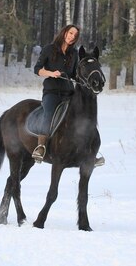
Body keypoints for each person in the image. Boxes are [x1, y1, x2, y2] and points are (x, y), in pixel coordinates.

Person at [32, 25, 105, 167]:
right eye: (70, 33)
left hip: (69, 92)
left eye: (75, 35)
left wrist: (87, 80)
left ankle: (90, 153)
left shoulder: (74, 53)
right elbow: (37, 69)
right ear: (64, 32)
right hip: (52, 93)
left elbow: (75, 75)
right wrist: (51, 73)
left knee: (84, 116)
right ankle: (41, 147)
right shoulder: (49, 49)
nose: (72, 36)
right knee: (49, 114)